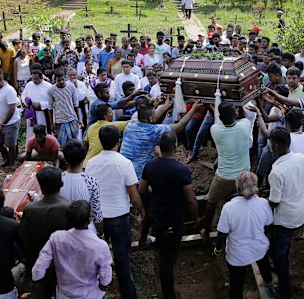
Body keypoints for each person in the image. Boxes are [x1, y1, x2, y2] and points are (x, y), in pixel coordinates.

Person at [85, 125, 144, 299]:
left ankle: (100, 292)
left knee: (97, 261)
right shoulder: (124, 163)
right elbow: (134, 197)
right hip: (119, 218)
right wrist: (141, 211)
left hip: (98, 220)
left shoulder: (91, 164)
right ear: (119, 141)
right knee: (123, 262)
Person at [139, 131, 198, 299]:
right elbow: (192, 200)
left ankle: (157, 243)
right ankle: (169, 295)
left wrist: (157, 192)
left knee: (162, 245)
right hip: (174, 219)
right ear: (175, 147)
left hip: (156, 216)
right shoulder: (181, 170)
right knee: (167, 263)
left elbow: (142, 190)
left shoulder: (150, 165)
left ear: (160, 147)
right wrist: (196, 220)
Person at [32, 200, 113, 299]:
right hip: (90, 294)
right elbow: (106, 279)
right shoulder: (100, 246)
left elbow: (38, 269)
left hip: (64, 294)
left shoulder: (57, 238)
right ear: (89, 218)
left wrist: (38, 280)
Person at [214, 171, 273, 299]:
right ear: (256, 186)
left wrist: (217, 249)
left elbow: (222, 234)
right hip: (259, 248)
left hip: (237, 255)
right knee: (264, 265)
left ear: (238, 188)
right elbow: (268, 225)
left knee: (236, 283)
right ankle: (268, 281)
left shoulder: (229, 208)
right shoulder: (264, 203)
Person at [267, 127, 304, 298]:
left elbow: (275, 201)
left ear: (275, 145)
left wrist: (263, 208)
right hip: (299, 212)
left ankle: (285, 290)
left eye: (270, 142)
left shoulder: (277, 172)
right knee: (283, 245)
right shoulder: (301, 158)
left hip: (285, 217)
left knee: (278, 252)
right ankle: (280, 265)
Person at [201, 102, 253, 239]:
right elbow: (244, 116)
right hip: (244, 177)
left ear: (220, 117)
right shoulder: (244, 126)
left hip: (223, 177)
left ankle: (206, 231)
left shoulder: (215, 130)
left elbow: (219, 119)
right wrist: (240, 103)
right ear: (235, 113)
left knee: (211, 202)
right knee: (247, 201)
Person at [19, 166, 71, 299]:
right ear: (61, 184)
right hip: (63, 265)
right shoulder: (69, 208)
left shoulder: (31, 209)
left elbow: (23, 238)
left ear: (41, 187)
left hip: (38, 263)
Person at [0, 71, 20, 167]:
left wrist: (3, 125)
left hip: (10, 123)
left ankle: (12, 164)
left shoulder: (9, 90)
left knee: (11, 145)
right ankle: (6, 158)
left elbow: (12, 109)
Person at [47, 68, 82, 146]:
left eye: (62, 79)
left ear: (65, 78)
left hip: (72, 118)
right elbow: (50, 108)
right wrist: (51, 123)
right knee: (62, 144)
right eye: (58, 80)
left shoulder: (71, 87)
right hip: (59, 120)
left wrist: (79, 118)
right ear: (55, 79)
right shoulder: (51, 90)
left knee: (74, 142)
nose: (61, 82)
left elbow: (75, 104)